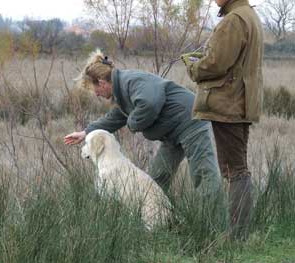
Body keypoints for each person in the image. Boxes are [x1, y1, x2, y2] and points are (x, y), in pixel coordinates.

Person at [64, 49, 222, 201]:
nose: (97, 94)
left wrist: (132, 123)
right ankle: (162, 220)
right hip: (172, 132)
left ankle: (214, 226)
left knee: (204, 175)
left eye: (95, 90)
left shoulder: (131, 81)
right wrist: (86, 133)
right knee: (156, 180)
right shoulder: (121, 91)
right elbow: (117, 116)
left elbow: (150, 104)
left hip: (189, 121)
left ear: (102, 82)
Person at [181, 0, 263, 240]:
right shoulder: (248, 16)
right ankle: (240, 233)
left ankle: (237, 236)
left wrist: (194, 68)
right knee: (238, 169)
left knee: (235, 171)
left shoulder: (234, 19)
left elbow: (217, 63)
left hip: (228, 104)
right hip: (240, 102)